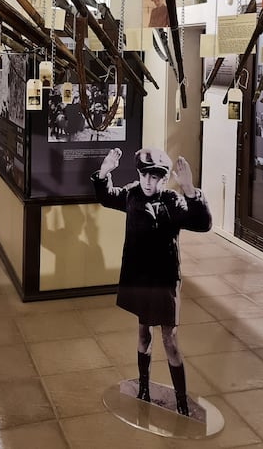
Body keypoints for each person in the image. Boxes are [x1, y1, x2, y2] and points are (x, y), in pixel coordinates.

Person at [91, 147, 211, 415]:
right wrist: (104, 172)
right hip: (139, 276)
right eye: (145, 175)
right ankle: (143, 389)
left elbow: (203, 223)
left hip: (165, 279)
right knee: (143, 332)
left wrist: (190, 189)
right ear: (139, 174)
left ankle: (181, 401)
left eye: (155, 177)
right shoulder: (132, 194)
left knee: (170, 338)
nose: (148, 182)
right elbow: (106, 196)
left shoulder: (172, 201)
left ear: (164, 179)